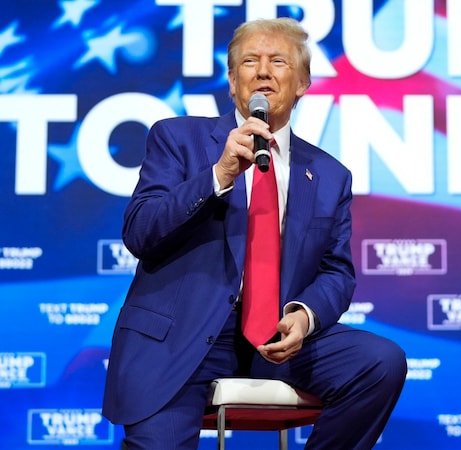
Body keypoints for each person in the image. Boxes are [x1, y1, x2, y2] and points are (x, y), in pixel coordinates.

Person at [102, 17, 407, 449]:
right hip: (182, 341)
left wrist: (304, 316)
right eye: (250, 61)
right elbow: (140, 232)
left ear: (301, 84)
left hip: (279, 342)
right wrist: (219, 173)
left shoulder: (329, 175)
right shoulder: (177, 139)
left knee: (380, 362)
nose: (263, 71)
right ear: (232, 82)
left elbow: (336, 273)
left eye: (278, 61)